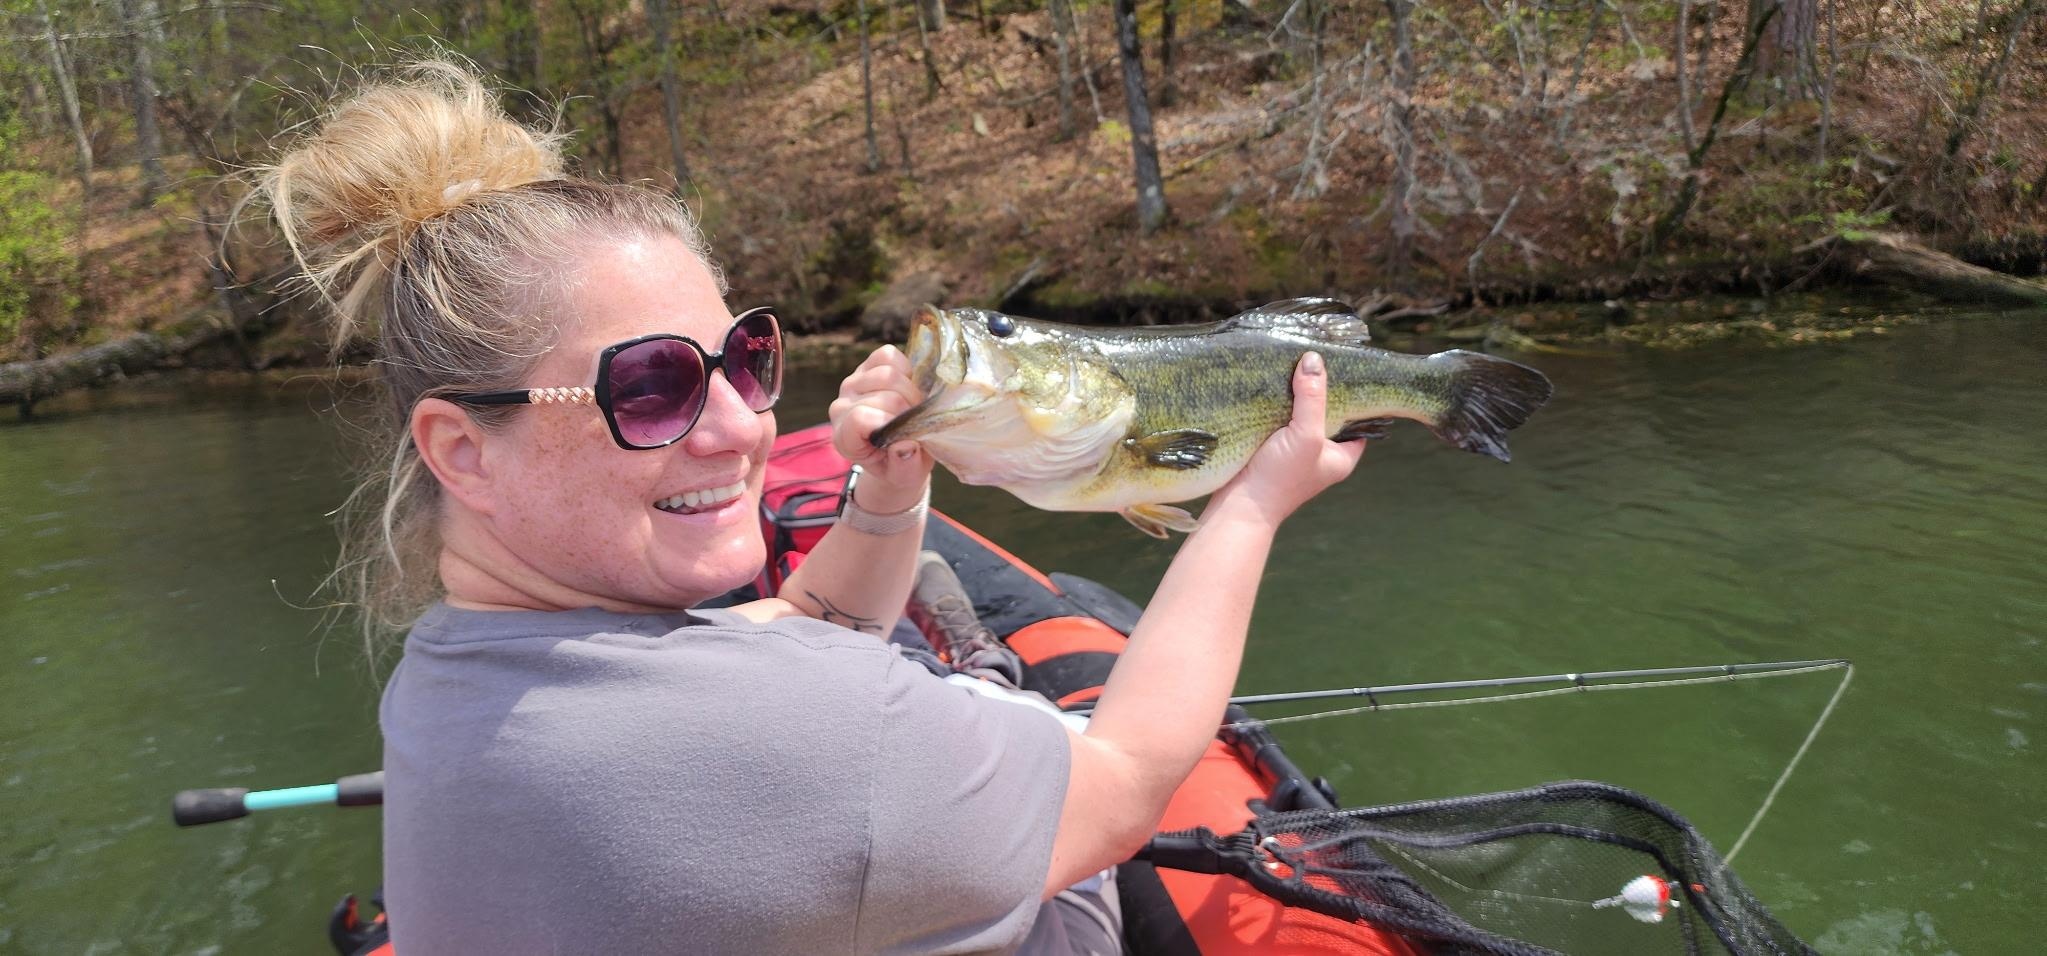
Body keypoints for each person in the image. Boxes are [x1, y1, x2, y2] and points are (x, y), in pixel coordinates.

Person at [254, 61, 1365, 955]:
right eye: (651, 385)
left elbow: (799, 639)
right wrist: (1251, 504)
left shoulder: (463, 665)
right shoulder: (779, 734)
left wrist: (888, 495)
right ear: (462, 450)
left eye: (745, 356)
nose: (739, 427)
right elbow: (1122, 785)